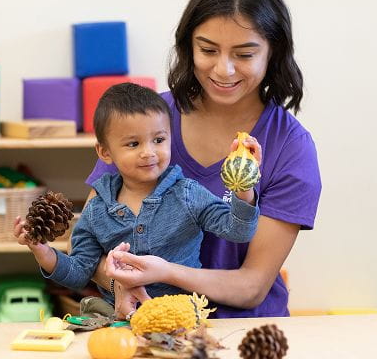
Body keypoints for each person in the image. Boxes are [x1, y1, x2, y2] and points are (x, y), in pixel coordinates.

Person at [91, 0, 322, 319]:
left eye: (244, 54)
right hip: (141, 324)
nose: (223, 70)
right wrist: (123, 285)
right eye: (208, 49)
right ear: (188, 44)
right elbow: (85, 244)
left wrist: (166, 274)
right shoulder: (147, 120)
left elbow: (251, 286)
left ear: (273, 52)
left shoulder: (290, 145)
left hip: (243, 334)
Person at [13, 82, 262, 307]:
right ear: (105, 152)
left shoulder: (188, 194)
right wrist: (42, 251)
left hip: (182, 317)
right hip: (121, 319)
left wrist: (244, 186)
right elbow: (78, 272)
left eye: (159, 140)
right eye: (133, 144)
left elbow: (239, 231)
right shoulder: (96, 209)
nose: (148, 152)